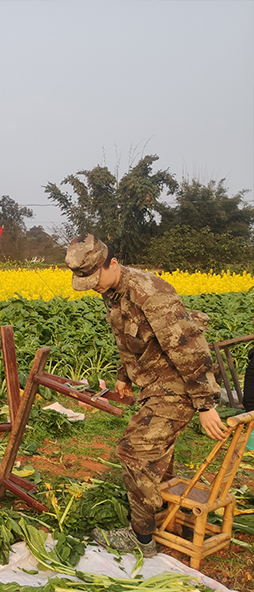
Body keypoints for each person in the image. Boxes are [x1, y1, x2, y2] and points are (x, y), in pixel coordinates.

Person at [65, 233, 226, 558]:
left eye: (96, 277)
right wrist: (124, 376)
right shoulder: (112, 291)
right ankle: (172, 518)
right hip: (154, 383)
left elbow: (188, 346)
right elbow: (129, 339)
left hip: (179, 386)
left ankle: (142, 538)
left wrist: (205, 403)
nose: (94, 285)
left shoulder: (150, 292)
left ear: (112, 262)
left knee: (133, 451)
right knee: (154, 451)